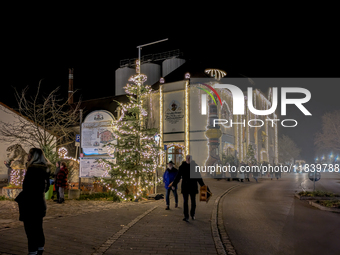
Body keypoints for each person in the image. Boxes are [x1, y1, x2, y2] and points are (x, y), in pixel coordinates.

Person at [15, 148, 50, 255]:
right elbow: (46, 187)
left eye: (29, 154)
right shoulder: (45, 170)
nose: (27, 156)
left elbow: (27, 188)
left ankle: (33, 252)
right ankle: (39, 249)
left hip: (30, 205)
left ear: (33, 157)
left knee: (30, 231)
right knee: (38, 229)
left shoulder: (32, 170)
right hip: (39, 204)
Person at [170, 155, 205, 222]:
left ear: (191, 159)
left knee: (193, 202)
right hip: (185, 187)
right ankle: (186, 216)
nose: (188, 159)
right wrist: (174, 184)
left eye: (189, 158)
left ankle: (192, 214)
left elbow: (199, 177)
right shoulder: (182, 167)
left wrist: (202, 185)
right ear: (186, 159)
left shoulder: (195, 166)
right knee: (185, 202)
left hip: (193, 187)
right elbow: (178, 177)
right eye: (187, 158)